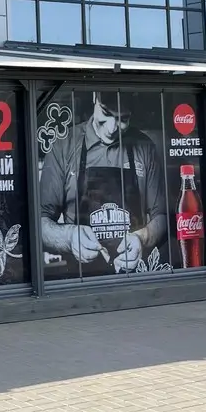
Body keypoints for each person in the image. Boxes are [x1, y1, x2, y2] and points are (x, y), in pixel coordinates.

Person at [38, 91, 166, 276]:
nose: (112, 128)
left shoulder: (145, 147)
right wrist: (70, 237)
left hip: (134, 277)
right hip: (79, 279)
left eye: (123, 119)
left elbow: (162, 217)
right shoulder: (63, 147)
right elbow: (40, 223)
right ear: (94, 98)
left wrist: (142, 238)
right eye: (106, 113)